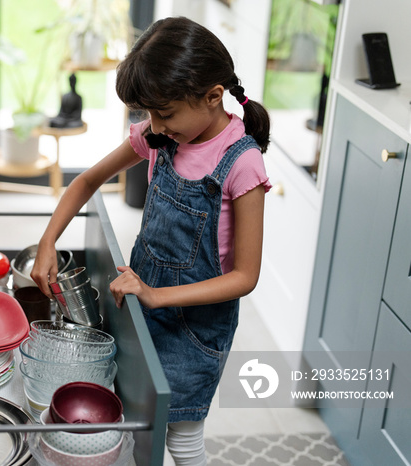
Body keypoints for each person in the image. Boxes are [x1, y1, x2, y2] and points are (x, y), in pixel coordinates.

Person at [31, 16, 272, 466]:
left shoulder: (243, 164)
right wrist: (49, 241)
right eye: (149, 114)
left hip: (193, 332)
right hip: (142, 306)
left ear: (213, 96)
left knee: (180, 440)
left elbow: (245, 277)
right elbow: (87, 180)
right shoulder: (161, 137)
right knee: (137, 423)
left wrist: (158, 296)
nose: (155, 125)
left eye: (165, 113)